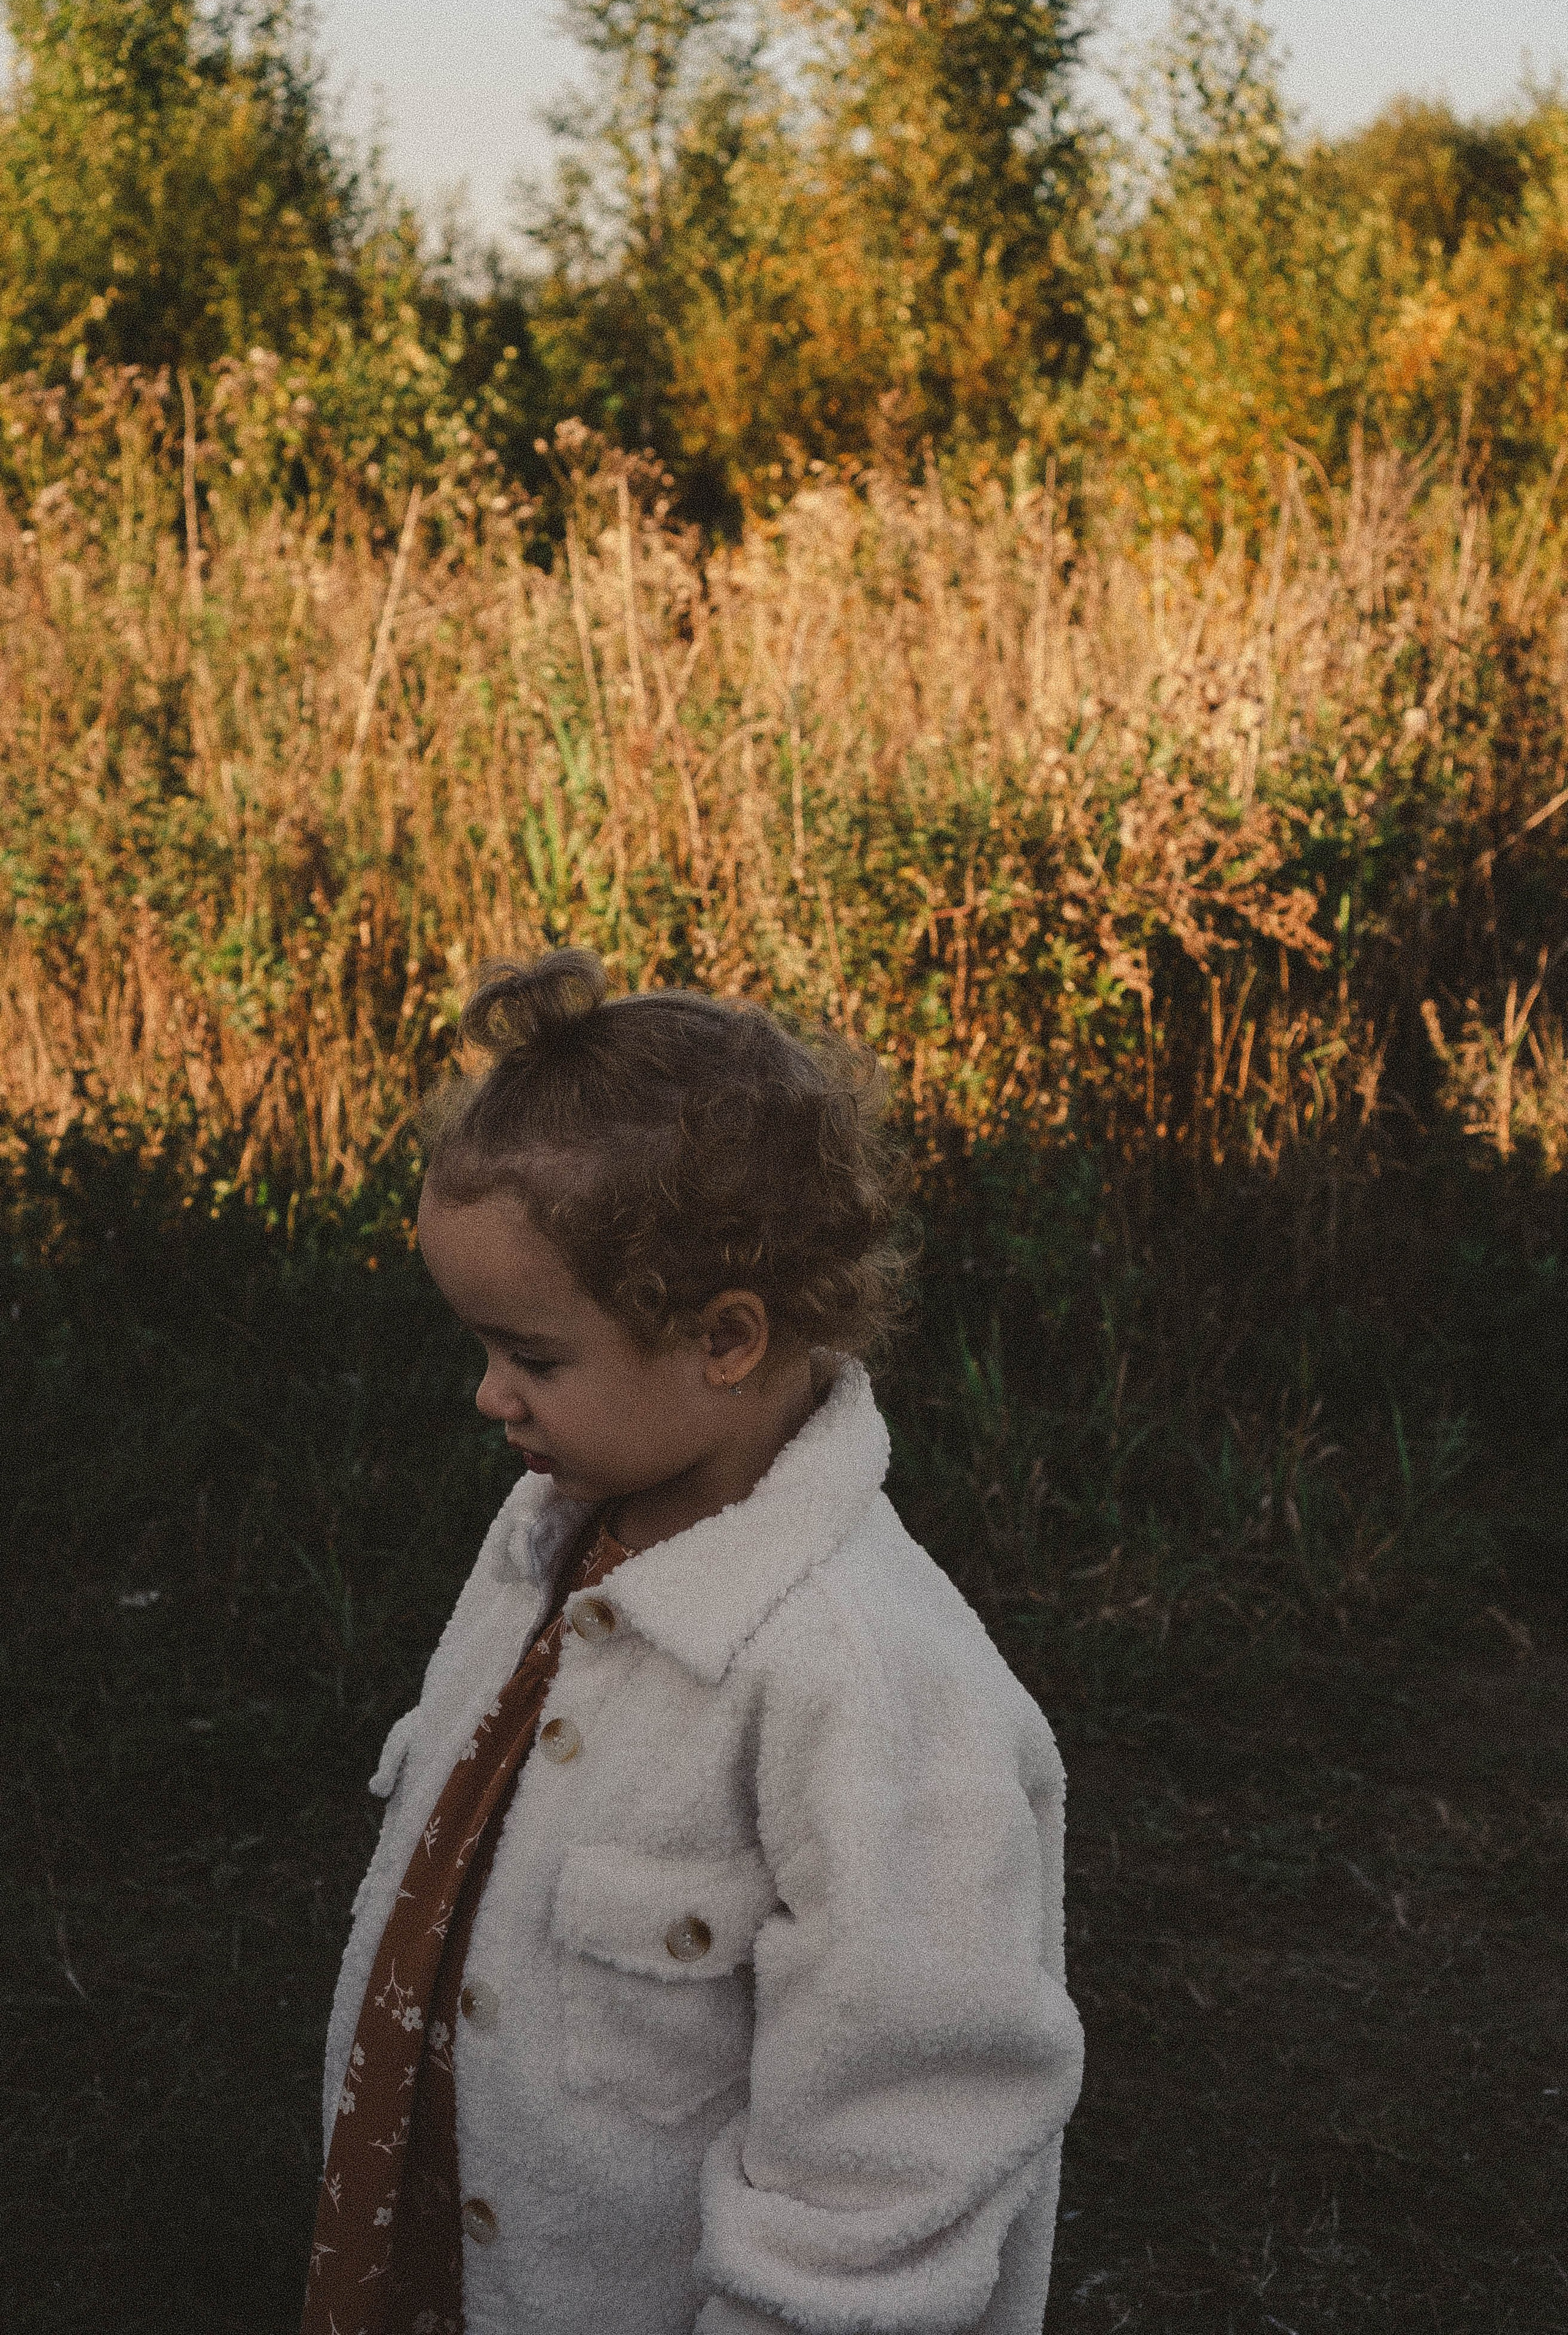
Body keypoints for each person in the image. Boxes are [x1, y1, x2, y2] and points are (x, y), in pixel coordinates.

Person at [303, 947, 1083, 2335]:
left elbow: (903, 2141)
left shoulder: (863, 1679)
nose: (489, 1397)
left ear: (726, 1339)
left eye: (533, 1358)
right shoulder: (549, 1542)